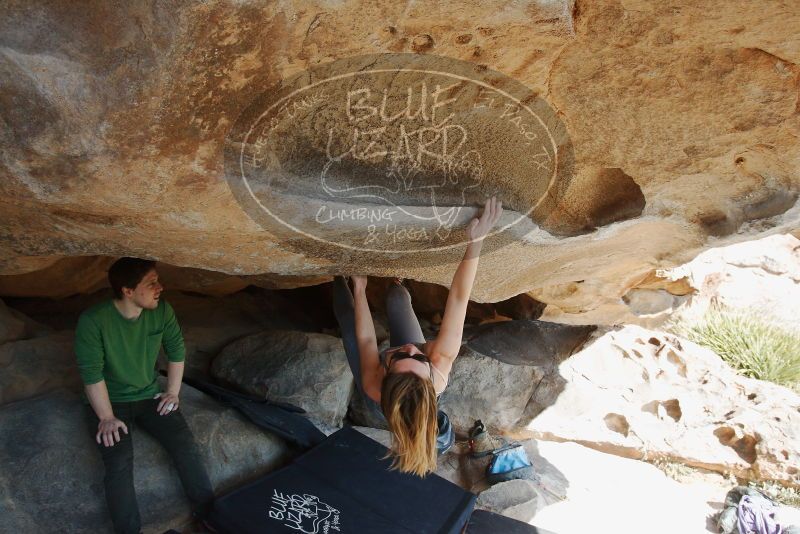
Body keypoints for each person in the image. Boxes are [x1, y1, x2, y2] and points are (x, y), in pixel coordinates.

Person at [333, 197, 503, 476]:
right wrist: (476, 241)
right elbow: (459, 298)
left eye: (401, 355)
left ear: (386, 370)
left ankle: (335, 278)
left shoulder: (375, 385)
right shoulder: (439, 361)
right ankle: (397, 282)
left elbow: (366, 342)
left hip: (386, 394)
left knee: (348, 319)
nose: (411, 348)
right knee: (397, 299)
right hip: (415, 380)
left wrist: (359, 287)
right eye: (418, 358)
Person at [74, 257, 215, 534]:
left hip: (150, 395)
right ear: (128, 291)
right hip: (110, 401)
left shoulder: (161, 310)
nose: (160, 288)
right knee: (119, 463)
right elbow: (91, 374)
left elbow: (176, 351)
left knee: (185, 445)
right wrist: (106, 417)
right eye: (151, 283)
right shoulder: (93, 320)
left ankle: (212, 518)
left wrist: (172, 393)